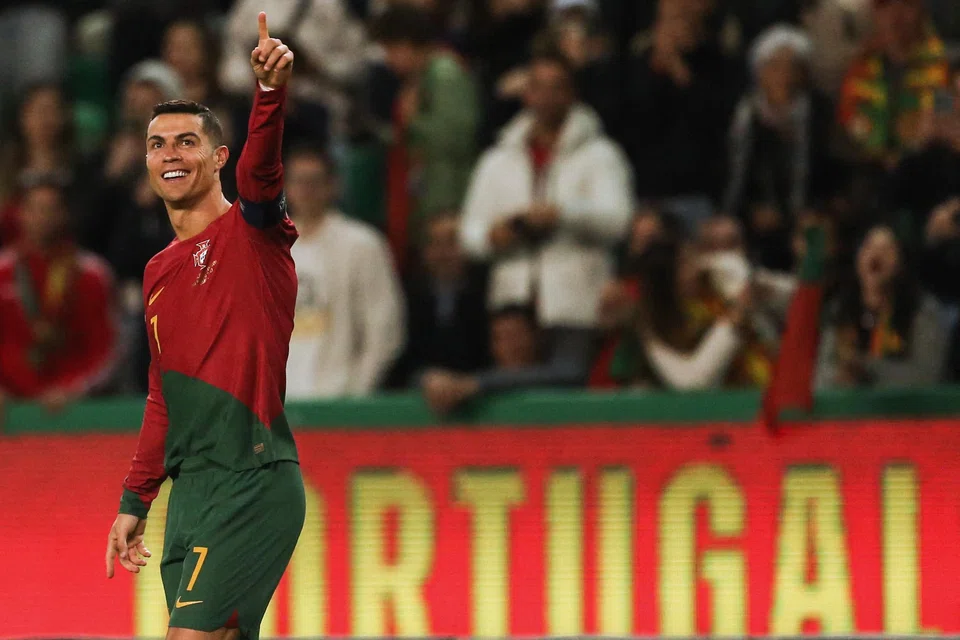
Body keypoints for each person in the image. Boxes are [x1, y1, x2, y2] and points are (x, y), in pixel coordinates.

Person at [105, 14, 305, 640]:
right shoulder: (158, 272)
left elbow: (263, 174)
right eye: (157, 144)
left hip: (252, 480)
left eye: (186, 142)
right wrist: (135, 500)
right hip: (190, 496)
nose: (169, 155)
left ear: (218, 156)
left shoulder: (254, 233)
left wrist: (268, 96)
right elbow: (165, 396)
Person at [285, 145, 405, 398]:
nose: (306, 190)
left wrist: (357, 391)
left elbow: (385, 329)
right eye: (299, 181)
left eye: (315, 181)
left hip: (339, 396)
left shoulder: (362, 244)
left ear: (333, 185)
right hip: (279, 402)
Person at [0, 175, 118, 415]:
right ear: (20, 214)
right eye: (35, 209)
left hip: (73, 411)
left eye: (52, 209)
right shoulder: (3, 272)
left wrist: (74, 389)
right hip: (9, 407)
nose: (44, 217)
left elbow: (106, 349)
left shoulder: (92, 275)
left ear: (65, 214)